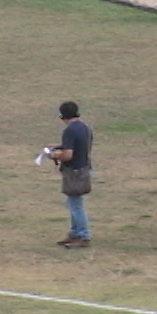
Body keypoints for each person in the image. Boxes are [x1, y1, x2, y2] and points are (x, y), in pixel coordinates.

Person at [47, 101, 94, 249]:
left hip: (73, 171)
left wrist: (55, 156)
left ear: (62, 116)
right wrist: (58, 147)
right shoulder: (84, 128)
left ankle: (82, 235)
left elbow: (68, 155)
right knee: (73, 203)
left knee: (75, 205)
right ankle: (74, 233)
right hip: (83, 168)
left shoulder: (69, 131)